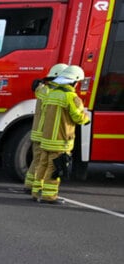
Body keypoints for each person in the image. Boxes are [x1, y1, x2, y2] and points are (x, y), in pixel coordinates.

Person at [30, 65, 90, 204]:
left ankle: (36, 192)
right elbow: (77, 116)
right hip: (60, 140)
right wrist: (86, 118)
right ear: (74, 81)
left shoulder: (51, 93)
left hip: (46, 138)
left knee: (42, 165)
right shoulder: (71, 97)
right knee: (55, 168)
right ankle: (49, 196)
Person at [24, 63, 67, 193]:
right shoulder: (51, 92)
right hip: (44, 132)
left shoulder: (43, 89)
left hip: (38, 131)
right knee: (42, 163)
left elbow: (39, 91)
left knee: (36, 161)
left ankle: (30, 185)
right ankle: (38, 188)